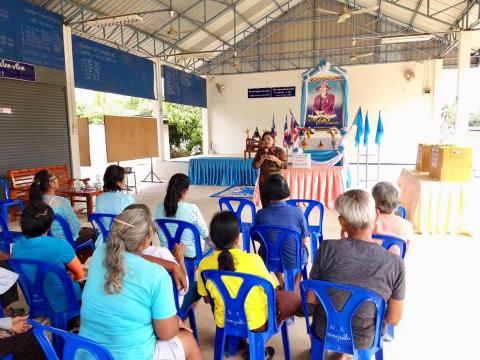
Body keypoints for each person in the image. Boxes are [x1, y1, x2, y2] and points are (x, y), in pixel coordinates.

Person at [79, 205, 203, 360]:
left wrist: (171, 265)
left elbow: (128, 257)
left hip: (87, 352)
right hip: (130, 355)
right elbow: (165, 334)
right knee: (188, 340)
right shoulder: (157, 275)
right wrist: (176, 321)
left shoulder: (100, 253)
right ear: (145, 241)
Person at [308, 190, 405, 359]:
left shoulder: (326, 248)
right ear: (375, 215)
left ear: (342, 222)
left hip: (326, 330)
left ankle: (343, 353)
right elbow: (394, 319)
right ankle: (348, 354)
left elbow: (311, 298)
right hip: (365, 339)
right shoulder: (394, 262)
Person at [197, 211, 301, 358]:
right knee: (288, 301)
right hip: (257, 324)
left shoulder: (204, 265)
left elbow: (207, 299)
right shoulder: (254, 260)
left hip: (225, 320)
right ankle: (258, 350)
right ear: (238, 238)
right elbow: (270, 291)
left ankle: (239, 344)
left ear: (212, 239)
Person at [12, 202, 84, 312]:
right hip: (65, 301)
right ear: (50, 225)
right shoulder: (60, 245)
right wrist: (68, 277)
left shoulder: (16, 246)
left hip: (35, 301)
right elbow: (80, 274)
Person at [253, 174, 309, 290]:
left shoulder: (261, 214)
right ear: (286, 190)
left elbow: (257, 237)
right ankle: (296, 285)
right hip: (293, 260)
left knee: (266, 247)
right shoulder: (298, 212)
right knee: (303, 250)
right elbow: (304, 238)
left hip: (269, 259)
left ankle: (281, 282)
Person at [29, 169, 97, 259]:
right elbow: (75, 227)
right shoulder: (61, 201)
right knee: (94, 233)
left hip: (44, 242)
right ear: (51, 184)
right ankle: (78, 262)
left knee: (86, 231)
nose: (58, 179)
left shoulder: (34, 202)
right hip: (63, 243)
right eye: (56, 177)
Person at [155, 173, 212, 258]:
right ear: (184, 191)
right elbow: (205, 233)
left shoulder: (159, 207)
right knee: (213, 245)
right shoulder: (192, 208)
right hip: (190, 253)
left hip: (168, 252)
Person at [372, 181, 413, 255]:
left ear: (375, 201)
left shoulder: (367, 223)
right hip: (394, 265)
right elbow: (404, 253)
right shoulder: (407, 226)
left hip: (370, 263)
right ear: (397, 202)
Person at [252, 132, 287, 208]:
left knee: (277, 206)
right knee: (265, 206)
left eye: (268, 139)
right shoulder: (260, 151)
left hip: (276, 183)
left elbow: (285, 165)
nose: (266, 141)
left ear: (273, 140)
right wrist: (261, 160)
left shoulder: (280, 151)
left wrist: (276, 160)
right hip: (263, 183)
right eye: (264, 139)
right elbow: (254, 166)